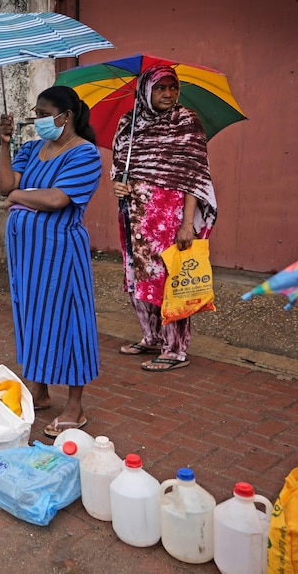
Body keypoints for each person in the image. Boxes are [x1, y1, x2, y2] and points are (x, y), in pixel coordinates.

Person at [0, 85, 102, 438]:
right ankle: (39, 391)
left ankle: (75, 406)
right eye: (37, 114)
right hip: (28, 257)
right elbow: (4, 184)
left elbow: (57, 199)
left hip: (60, 254)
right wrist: (4, 144)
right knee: (32, 316)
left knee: (70, 322)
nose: (38, 120)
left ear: (66, 116)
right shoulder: (31, 148)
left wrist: (17, 196)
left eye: (44, 114)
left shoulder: (84, 155)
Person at [112, 65, 217, 372]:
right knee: (138, 278)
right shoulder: (128, 123)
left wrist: (188, 225)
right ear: (145, 91)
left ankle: (175, 349)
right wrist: (119, 184)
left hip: (171, 218)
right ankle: (152, 337)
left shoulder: (186, 121)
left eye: (173, 88)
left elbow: (194, 176)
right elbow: (120, 167)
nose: (168, 94)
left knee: (171, 280)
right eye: (160, 88)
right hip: (134, 216)